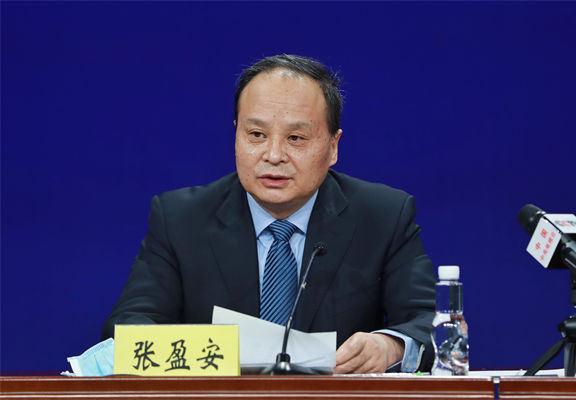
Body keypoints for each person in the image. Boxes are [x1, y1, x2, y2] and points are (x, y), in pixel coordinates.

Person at [102, 54, 436, 374]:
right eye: (257, 135)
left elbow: (428, 325)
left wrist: (389, 347)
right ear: (236, 133)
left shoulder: (383, 216)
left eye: (296, 138)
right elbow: (127, 330)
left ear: (333, 146)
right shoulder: (181, 219)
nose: (274, 155)